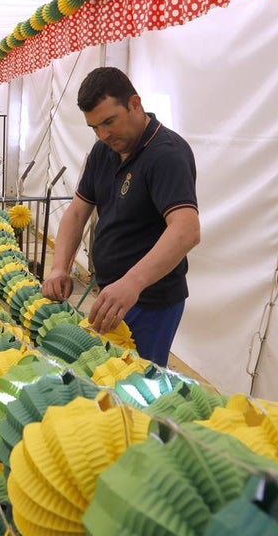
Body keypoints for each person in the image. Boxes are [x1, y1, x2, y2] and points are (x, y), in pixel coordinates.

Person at [41, 67, 201, 368]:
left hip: (150, 300)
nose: (103, 134)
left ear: (135, 104)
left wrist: (132, 282)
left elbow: (186, 230)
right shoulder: (104, 151)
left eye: (109, 122)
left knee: (135, 389)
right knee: (105, 380)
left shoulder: (166, 154)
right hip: (113, 295)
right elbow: (76, 213)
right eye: (94, 127)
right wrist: (59, 267)